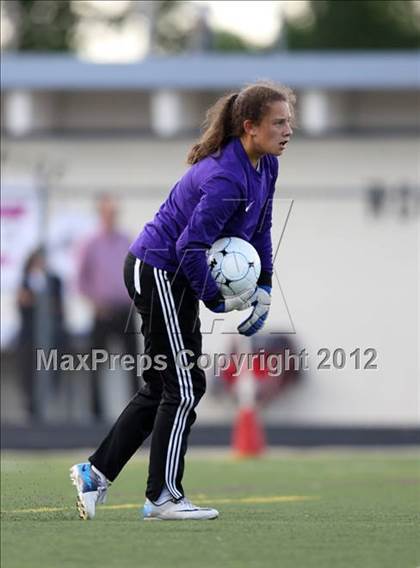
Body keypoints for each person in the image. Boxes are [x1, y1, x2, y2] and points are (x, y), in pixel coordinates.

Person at [70, 81, 295, 521]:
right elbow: (190, 247)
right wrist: (218, 300)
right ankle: (162, 498)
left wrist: (264, 286)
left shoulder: (266, 166)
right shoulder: (227, 176)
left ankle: (94, 473)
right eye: (279, 122)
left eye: (290, 121)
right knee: (185, 384)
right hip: (158, 269)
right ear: (250, 127)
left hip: (169, 273)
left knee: (163, 386)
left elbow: (262, 228)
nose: (288, 130)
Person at [77, 194, 138, 420]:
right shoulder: (90, 243)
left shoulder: (126, 241)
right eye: (108, 212)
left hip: (125, 311)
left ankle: (137, 413)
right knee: (96, 364)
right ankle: (96, 413)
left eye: (115, 212)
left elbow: (136, 271)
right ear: (100, 213)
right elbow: (80, 281)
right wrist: (95, 302)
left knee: (133, 363)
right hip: (102, 313)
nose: (112, 216)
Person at [17, 247, 66, 419]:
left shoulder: (54, 281)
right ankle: (31, 408)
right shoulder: (25, 281)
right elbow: (22, 303)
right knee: (29, 373)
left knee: (50, 371)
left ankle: (49, 405)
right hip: (30, 338)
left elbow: (58, 307)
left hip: (51, 338)